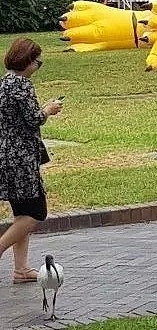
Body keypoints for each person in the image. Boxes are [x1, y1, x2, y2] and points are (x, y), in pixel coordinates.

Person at [0, 39, 63, 284]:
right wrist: (49, 109)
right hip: (22, 158)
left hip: (5, 154)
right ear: (27, 62)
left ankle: (21, 269)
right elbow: (33, 119)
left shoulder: (4, 82)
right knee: (37, 212)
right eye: (38, 62)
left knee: (21, 212)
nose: (38, 67)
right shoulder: (23, 85)